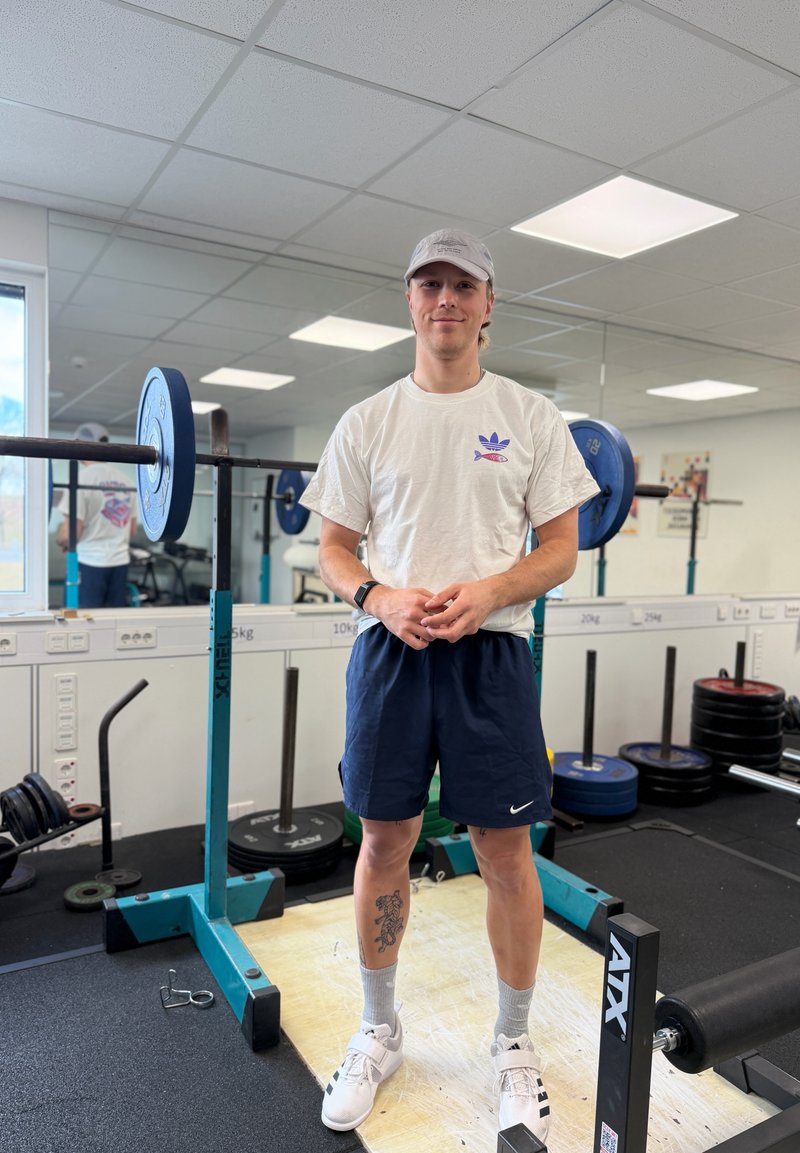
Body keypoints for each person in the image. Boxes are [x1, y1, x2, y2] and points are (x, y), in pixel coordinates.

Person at [299, 229, 599, 1140]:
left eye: (463, 285)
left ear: (488, 303)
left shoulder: (531, 416)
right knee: (383, 841)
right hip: (389, 656)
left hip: (493, 657)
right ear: (410, 300)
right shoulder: (368, 421)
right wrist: (379, 596)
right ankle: (379, 1027)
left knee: (506, 854)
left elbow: (560, 547)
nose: (446, 300)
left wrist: (492, 589)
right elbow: (333, 549)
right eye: (429, 283)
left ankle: (512, 1044)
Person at [56, 422, 138, 608]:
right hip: (119, 563)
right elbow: (131, 530)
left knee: (84, 624)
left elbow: (70, 534)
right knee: (113, 623)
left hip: (89, 563)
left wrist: (62, 541)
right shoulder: (126, 481)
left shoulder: (81, 479)